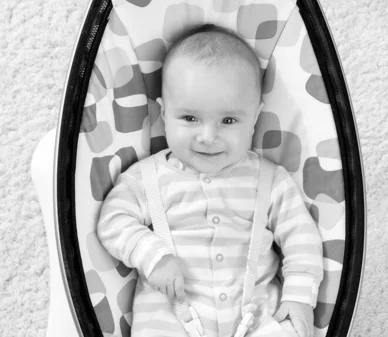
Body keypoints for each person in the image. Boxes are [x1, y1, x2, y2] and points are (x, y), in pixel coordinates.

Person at [97, 25, 323, 337]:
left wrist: (299, 297)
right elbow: (113, 220)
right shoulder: (146, 178)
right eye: (189, 118)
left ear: (255, 117)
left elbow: (302, 239)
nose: (208, 137)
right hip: (169, 317)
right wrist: (153, 257)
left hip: (256, 317)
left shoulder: (271, 181)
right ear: (164, 114)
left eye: (228, 121)